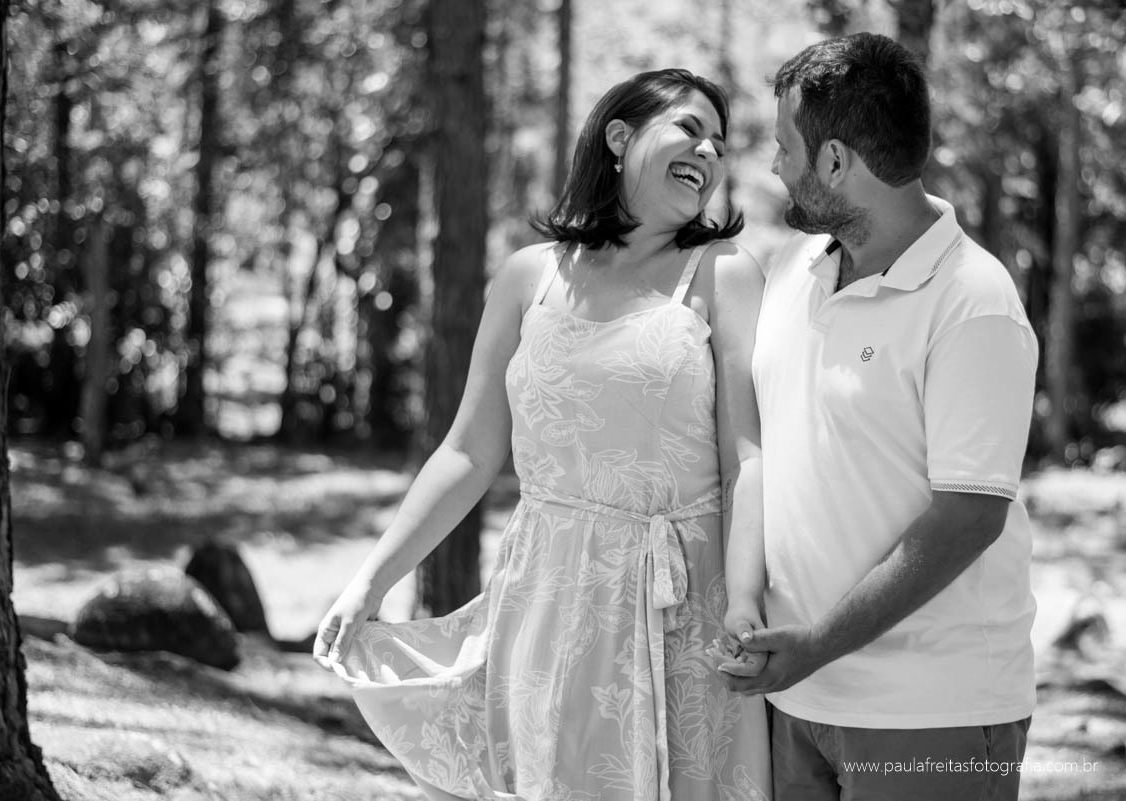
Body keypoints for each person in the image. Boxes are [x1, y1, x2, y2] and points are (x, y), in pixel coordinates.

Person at [313, 68, 772, 801]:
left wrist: (746, 599)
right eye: (691, 128)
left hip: (683, 607)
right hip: (547, 598)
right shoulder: (531, 277)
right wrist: (372, 579)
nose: (710, 151)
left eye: (721, 142)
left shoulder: (723, 272)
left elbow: (746, 456)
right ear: (619, 137)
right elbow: (468, 451)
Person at [719, 32, 1038, 801]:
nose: (773, 166)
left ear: (835, 162)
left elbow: (967, 518)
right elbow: (763, 449)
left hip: (930, 713)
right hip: (798, 699)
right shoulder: (797, 273)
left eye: (785, 145)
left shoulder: (975, 301)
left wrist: (817, 645)